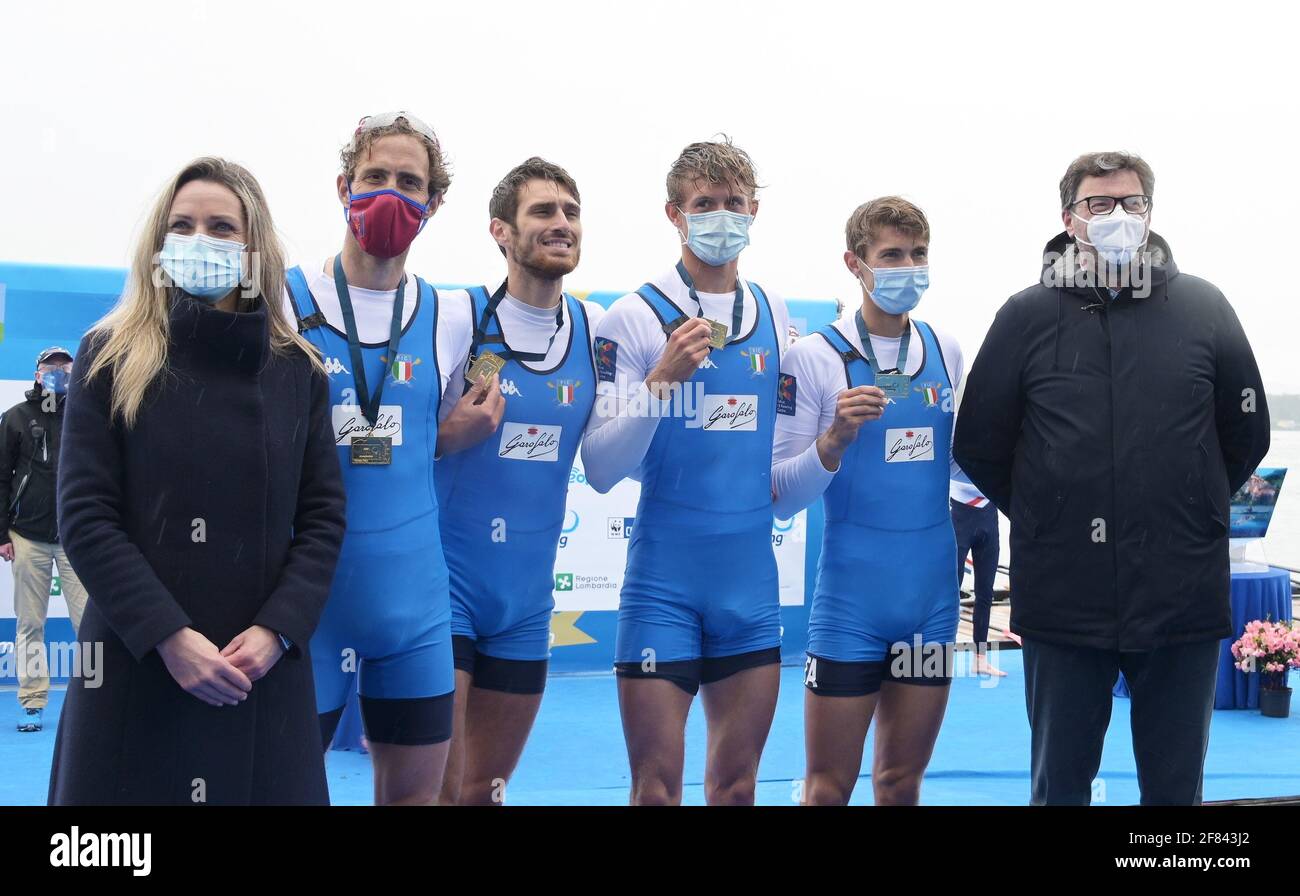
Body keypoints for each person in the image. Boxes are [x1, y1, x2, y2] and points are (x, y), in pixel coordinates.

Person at [954, 151, 1271, 806]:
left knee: (1175, 791)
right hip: (1064, 599)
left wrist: (1193, 506)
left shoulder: (1205, 308)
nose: (1118, 215)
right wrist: (1050, 513)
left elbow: (1247, 432)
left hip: (1180, 592)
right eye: (1100, 204)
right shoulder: (1025, 316)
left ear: (1150, 210)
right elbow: (980, 444)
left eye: (1131, 201)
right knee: (1060, 785)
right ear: (1070, 219)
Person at [49, 157, 346, 805]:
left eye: (220, 227)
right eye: (182, 226)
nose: (199, 240)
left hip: (259, 678)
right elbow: (86, 517)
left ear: (252, 247)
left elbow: (322, 519)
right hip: (135, 668)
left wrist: (276, 632)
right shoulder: (109, 356)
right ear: (158, 246)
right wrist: (168, 636)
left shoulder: (298, 372)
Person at [581, 138, 791, 805]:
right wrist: (662, 380)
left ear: (754, 210)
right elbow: (601, 468)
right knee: (656, 791)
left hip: (749, 591)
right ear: (675, 213)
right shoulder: (633, 317)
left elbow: (782, 463)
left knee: (735, 789)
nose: (721, 216)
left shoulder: (775, 313)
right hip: (664, 587)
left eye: (734, 203)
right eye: (705, 204)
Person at [283, 112, 477, 805]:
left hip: (415, 610)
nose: (390, 195)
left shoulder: (450, 315)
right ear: (344, 185)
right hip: (305, 605)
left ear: (433, 202)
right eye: (374, 177)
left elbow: (440, 425)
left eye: (409, 182)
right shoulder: (281, 299)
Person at [772, 196, 963, 805]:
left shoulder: (946, 349)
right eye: (892, 256)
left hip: (931, 608)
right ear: (855, 264)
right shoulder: (814, 358)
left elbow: (966, 470)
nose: (909, 267)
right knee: (828, 787)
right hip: (850, 609)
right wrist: (834, 439)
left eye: (918, 254)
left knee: (901, 781)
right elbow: (779, 496)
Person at [434, 158, 602, 805]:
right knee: (436, 793)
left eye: (571, 211)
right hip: (442, 595)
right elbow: (375, 444)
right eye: (542, 211)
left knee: (486, 793)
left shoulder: (594, 330)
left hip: (525, 609)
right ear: (500, 231)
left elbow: (616, 461)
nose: (561, 223)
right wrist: (448, 438)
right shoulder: (455, 318)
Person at [0, 346, 90, 731]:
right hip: (27, 539)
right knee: (30, 624)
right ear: (37, 374)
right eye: (50, 368)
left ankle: (94, 701)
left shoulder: (87, 417)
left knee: (90, 623)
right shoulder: (15, 418)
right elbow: (1, 477)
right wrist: (2, 532)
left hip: (78, 539)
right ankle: (33, 700)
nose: (57, 372)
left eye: (64, 367)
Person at [951, 466, 1004, 676]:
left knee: (985, 592)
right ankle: (945, 655)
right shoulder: (955, 435)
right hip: (959, 511)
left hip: (988, 513)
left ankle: (980, 658)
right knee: (951, 593)